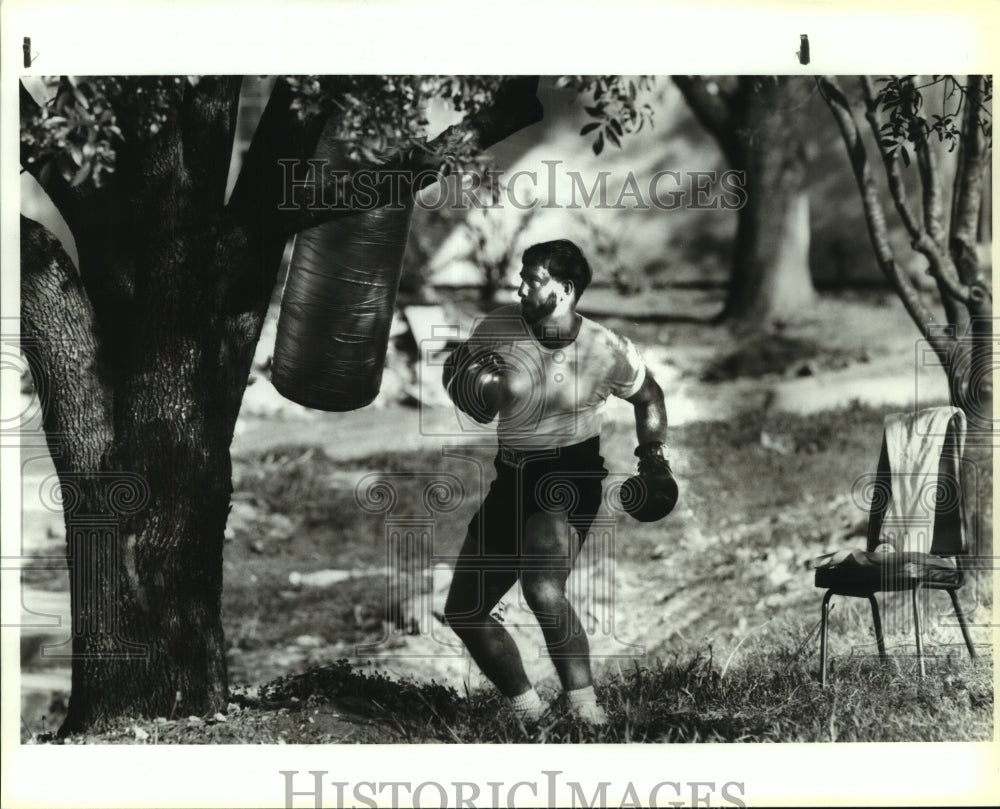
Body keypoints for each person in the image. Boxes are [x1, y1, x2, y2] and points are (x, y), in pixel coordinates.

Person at [441, 239, 669, 725]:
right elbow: (463, 385)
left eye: (533, 278)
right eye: (521, 275)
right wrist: (464, 380)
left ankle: (589, 714)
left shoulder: (605, 348)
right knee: (465, 610)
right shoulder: (498, 325)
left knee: (542, 588)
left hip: (569, 475)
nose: (520, 285)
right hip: (511, 476)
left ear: (563, 290)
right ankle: (528, 712)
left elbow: (650, 397)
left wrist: (654, 461)